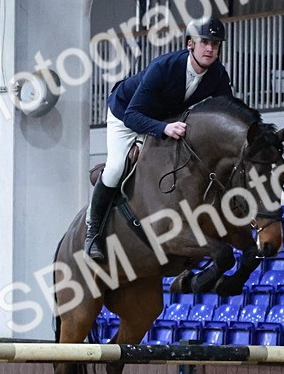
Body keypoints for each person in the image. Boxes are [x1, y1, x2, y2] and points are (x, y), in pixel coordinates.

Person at [84, 17, 233, 261]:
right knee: (116, 167)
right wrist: (164, 128)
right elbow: (132, 115)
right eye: (204, 42)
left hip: (163, 118)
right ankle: (93, 232)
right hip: (126, 114)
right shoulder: (164, 67)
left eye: (215, 44)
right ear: (190, 44)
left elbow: (228, 112)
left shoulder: (217, 74)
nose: (210, 49)